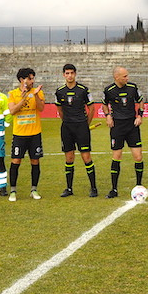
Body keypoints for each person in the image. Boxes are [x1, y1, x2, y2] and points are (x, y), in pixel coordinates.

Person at [54, 64, 98, 198]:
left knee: (86, 157)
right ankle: (69, 188)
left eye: (72, 73)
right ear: (63, 75)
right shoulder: (59, 91)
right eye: (67, 73)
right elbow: (60, 110)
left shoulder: (83, 90)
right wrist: (66, 121)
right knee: (69, 158)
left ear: (75, 74)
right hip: (67, 128)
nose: (69, 75)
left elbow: (92, 108)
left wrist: (86, 124)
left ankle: (94, 188)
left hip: (81, 128)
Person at [102, 66, 145, 198]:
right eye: (125, 76)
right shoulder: (108, 90)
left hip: (132, 125)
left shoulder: (133, 87)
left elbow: (141, 101)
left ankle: (139, 186)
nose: (127, 78)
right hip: (117, 127)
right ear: (117, 77)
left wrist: (140, 116)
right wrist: (108, 116)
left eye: (127, 75)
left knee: (138, 157)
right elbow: (104, 104)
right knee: (117, 156)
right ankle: (114, 189)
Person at [5, 67, 46, 201]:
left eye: (33, 78)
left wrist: (35, 95)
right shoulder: (12, 94)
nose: (32, 81)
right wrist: (23, 97)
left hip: (35, 133)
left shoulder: (38, 92)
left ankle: (34, 189)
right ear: (22, 80)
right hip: (19, 134)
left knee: (35, 160)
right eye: (30, 78)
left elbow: (40, 108)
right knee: (16, 160)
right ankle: (13, 191)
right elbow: (12, 111)